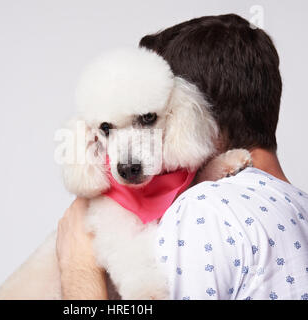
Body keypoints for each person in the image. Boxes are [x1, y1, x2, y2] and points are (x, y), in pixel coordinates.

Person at [57, 14, 308, 300]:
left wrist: (77, 267)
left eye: (150, 118)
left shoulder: (203, 210)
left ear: (198, 112)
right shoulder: (300, 207)